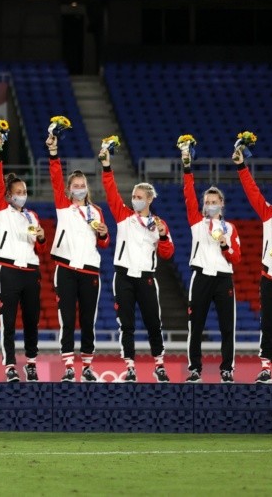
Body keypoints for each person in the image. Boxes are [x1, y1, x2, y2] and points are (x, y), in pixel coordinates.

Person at [100, 146, 173, 383]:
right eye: (133, 196)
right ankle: (130, 366)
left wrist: (162, 235)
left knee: (154, 321)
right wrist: (107, 166)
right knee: (127, 323)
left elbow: (167, 253)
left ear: (150, 199)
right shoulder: (123, 216)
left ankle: (159, 365)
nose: (135, 199)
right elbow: (111, 191)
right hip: (122, 276)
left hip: (147, 277)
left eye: (140, 197)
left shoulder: (159, 223)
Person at [46, 133, 111, 383]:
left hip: (90, 270)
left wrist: (103, 234)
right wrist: (54, 154)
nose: (80, 188)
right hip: (65, 268)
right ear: (69, 189)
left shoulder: (97, 211)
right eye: (75, 184)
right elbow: (54, 176)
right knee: (67, 319)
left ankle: (86, 366)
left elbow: (104, 243)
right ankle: (68, 367)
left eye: (83, 184)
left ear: (87, 188)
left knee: (87, 320)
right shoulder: (63, 206)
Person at [0, 133, 48, 382]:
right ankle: (10, 365)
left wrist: (43, 238)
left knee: (32, 320)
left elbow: (41, 250)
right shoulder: (1, 211)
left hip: (31, 270)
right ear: (8, 194)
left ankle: (32, 363)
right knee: (9, 322)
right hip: (9, 269)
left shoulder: (32, 216)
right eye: (18, 191)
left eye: (24, 190)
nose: (22, 194)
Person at [182, 148, 239, 383]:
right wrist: (187, 168)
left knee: (227, 327)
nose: (211, 205)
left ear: (222, 204)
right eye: (208, 202)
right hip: (201, 277)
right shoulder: (197, 223)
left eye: (214, 202)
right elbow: (188, 194)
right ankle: (195, 368)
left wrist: (225, 245)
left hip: (224, 277)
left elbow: (236, 258)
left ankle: (227, 369)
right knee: (195, 326)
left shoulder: (231, 228)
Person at [235, 145, 272, 384]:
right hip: (269, 278)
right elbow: (252, 192)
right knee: (267, 322)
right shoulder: (269, 213)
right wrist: (241, 167)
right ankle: (266, 368)